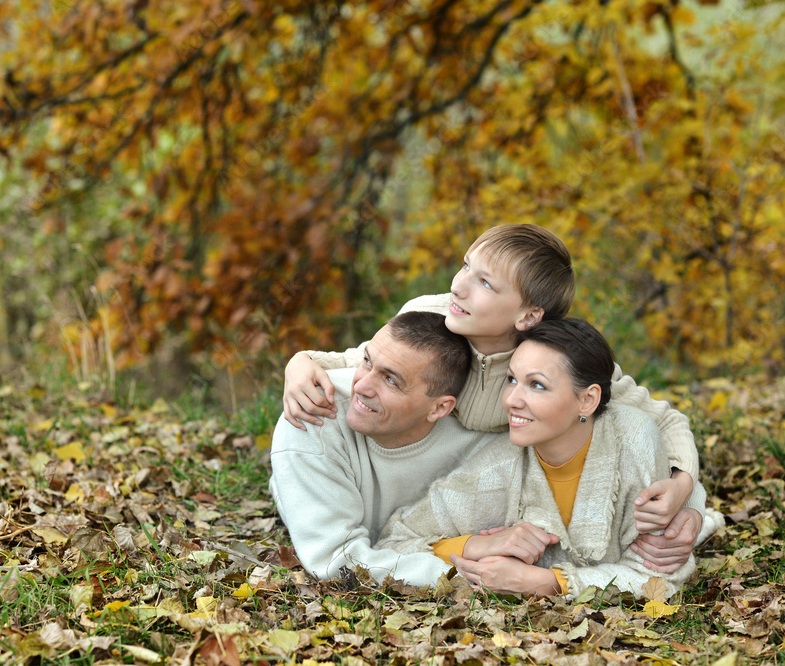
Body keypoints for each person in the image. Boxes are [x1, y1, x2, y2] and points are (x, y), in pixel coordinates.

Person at [282, 224, 707, 572]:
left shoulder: (551, 359)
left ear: (528, 316)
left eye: (484, 282)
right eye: (466, 266)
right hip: (433, 474)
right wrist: (300, 362)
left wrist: (682, 489)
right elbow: (362, 357)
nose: (459, 286)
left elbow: (662, 422)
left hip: (496, 479)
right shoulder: (435, 314)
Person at [375, 319, 723, 597]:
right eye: (511, 379)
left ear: (587, 400)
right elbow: (396, 540)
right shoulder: (498, 467)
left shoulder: (633, 440)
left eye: (537, 385)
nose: (512, 400)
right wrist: (479, 545)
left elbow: (659, 579)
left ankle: (704, 516)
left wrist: (545, 582)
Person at [269, 311, 494, 582]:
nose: (361, 386)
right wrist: (464, 576)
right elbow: (336, 560)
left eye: (390, 380)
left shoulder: (482, 439)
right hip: (307, 490)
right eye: (367, 361)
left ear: (440, 408)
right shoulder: (311, 417)